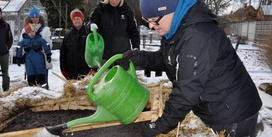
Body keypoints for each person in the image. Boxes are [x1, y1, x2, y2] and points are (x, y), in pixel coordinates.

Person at [120, 0, 262, 137]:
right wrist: (138, 57)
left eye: (154, 20)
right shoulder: (176, 29)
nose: (151, 26)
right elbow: (166, 59)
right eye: (147, 20)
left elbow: (186, 91)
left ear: (172, 11)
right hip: (217, 106)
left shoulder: (198, 35)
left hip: (234, 113)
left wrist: (159, 126)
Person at [19, 7, 52, 89]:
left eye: (36, 16)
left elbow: (49, 44)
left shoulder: (45, 30)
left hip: (42, 59)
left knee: (43, 81)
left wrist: (42, 49)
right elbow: (21, 43)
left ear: (39, 17)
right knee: (32, 81)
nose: (35, 19)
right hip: (30, 60)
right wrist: (24, 49)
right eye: (33, 17)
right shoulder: (24, 30)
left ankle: (45, 95)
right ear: (30, 18)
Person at [60, 9, 92, 80]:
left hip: (86, 70)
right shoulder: (68, 35)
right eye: (74, 19)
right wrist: (63, 68)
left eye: (78, 18)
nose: (76, 20)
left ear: (82, 19)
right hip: (71, 71)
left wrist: (94, 68)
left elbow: (93, 51)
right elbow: (63, 52)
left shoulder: (88, 33)